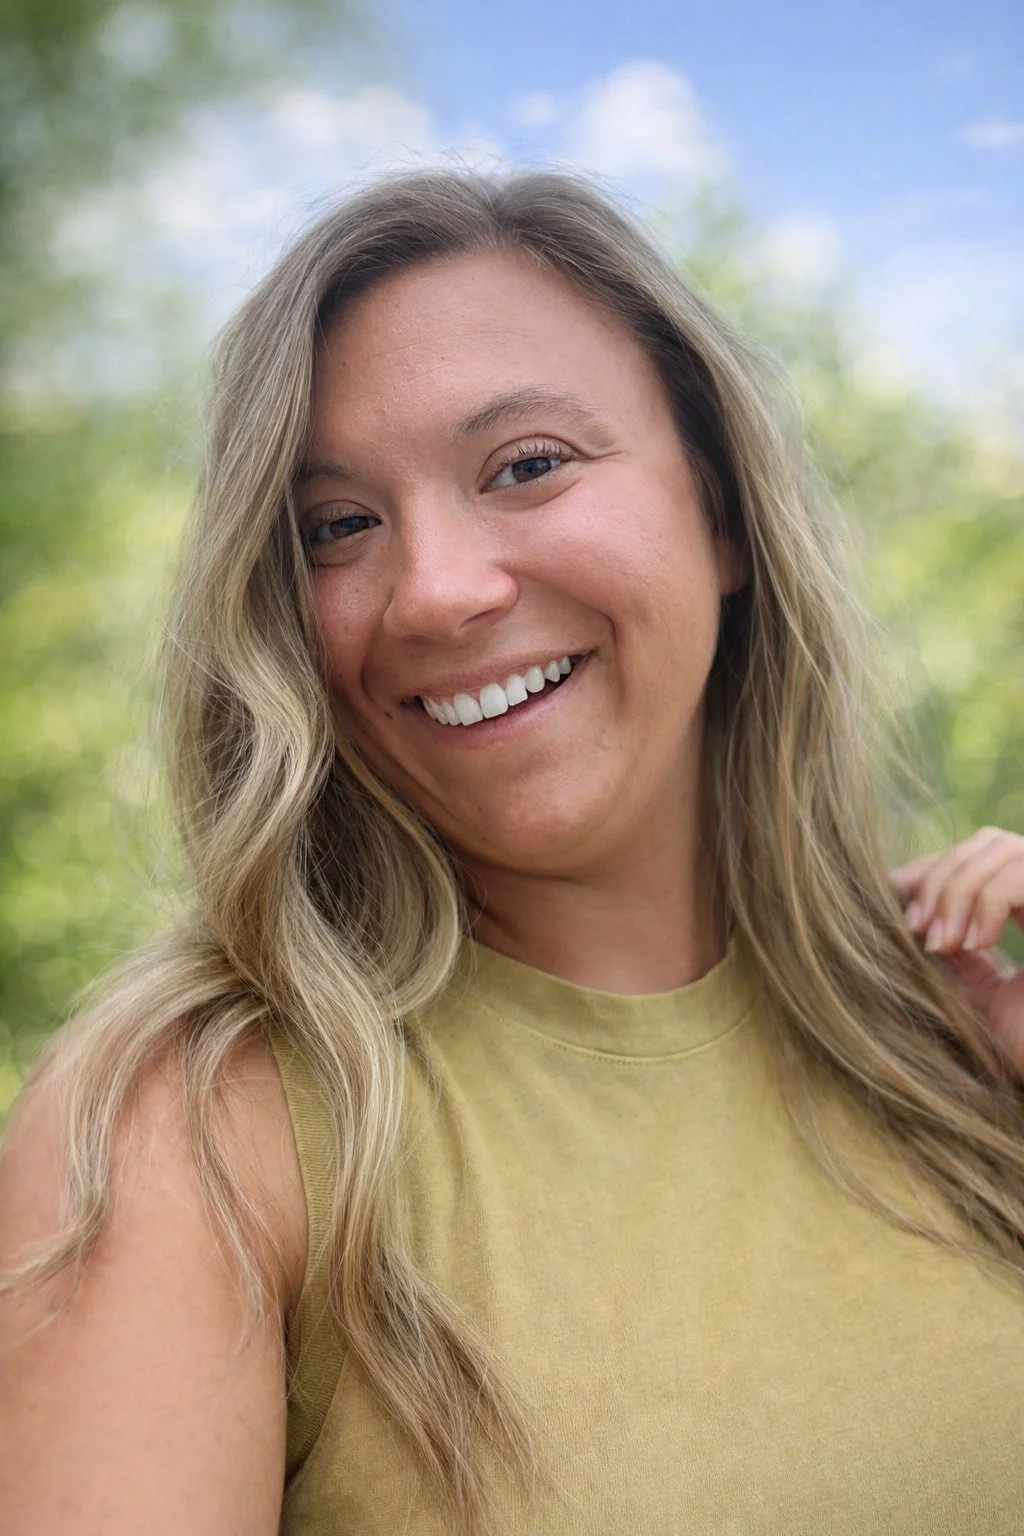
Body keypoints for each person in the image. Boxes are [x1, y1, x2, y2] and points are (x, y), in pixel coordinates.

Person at [1, 167, 1023, 1536]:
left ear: (721, 510)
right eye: (338, 527)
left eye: (529, 465)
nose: (435, 588)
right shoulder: (189, 1128)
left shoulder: (953, 1031)